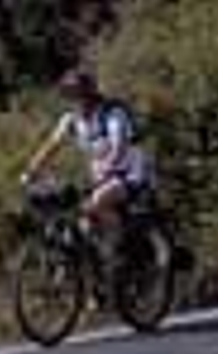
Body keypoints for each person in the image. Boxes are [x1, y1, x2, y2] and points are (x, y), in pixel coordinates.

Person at [22, 68, 155, 255]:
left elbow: (120, 144)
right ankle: (95, 261)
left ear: (89, 93)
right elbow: (51, 146)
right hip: (101, 178)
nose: (74, 99)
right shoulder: (71, 119)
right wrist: (31, 171)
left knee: (97, 201)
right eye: (69, 94)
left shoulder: (112, 112)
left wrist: (109, 167)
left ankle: (119, 246)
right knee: (81, 221)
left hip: (131, 173)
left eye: (77, 93)